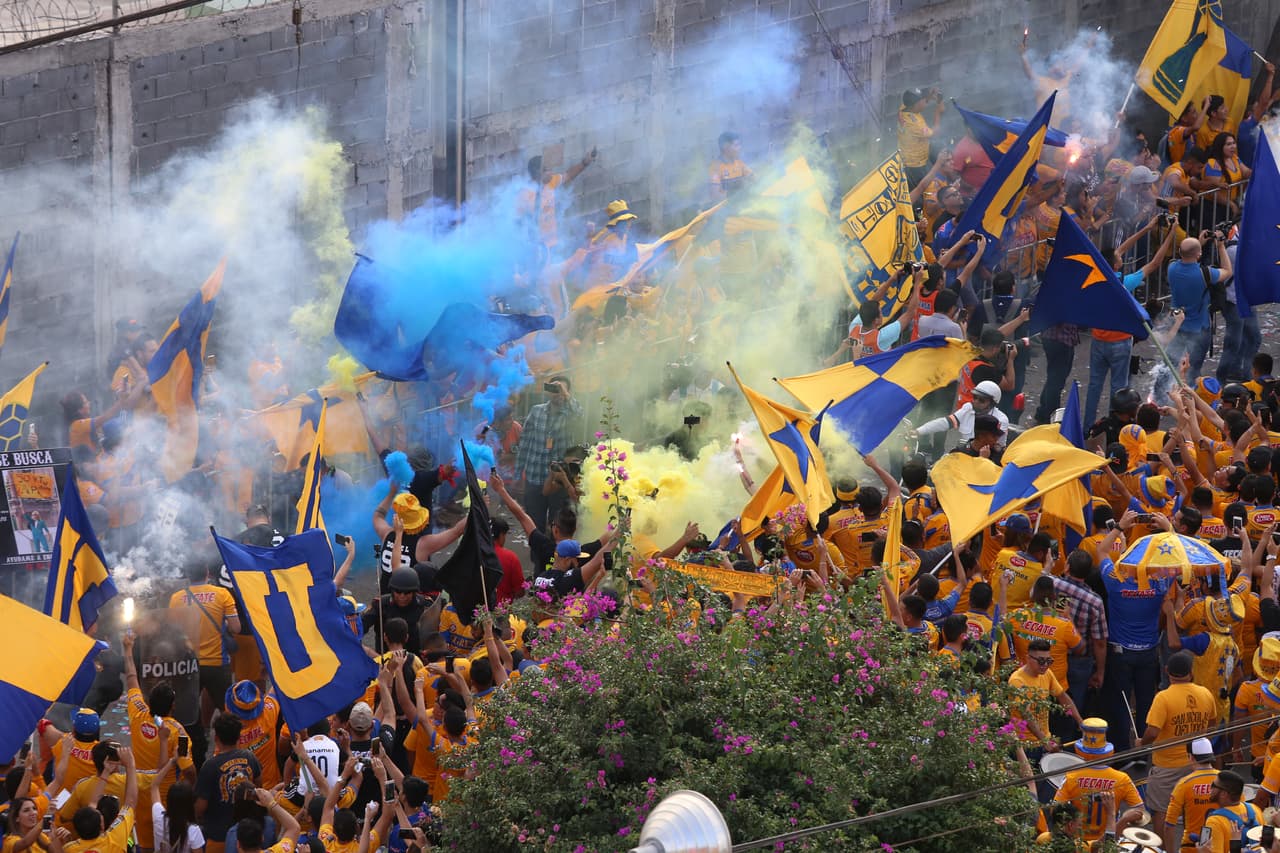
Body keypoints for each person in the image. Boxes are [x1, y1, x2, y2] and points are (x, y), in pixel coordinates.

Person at [1084, 215, 1179, 425]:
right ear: (1116, 266)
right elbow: (1154, 263)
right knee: (1119, 390)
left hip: (1098, 341)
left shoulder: (1095, 277)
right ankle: (1114, 428)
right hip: (1119, 343)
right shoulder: (1124, 283)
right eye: (1118, 258)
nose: (1121, 256)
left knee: (1094, 386)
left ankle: (1087, 427)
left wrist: (1147, 228)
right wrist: (1172, 232)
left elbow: (1117, 253)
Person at [1096, 512, 1176, 753]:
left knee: (1120, 704)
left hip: (1120, 653)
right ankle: (1143, 749)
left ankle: (1121, 750)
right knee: (1145, 703)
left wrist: (1120, 526)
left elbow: (1101, 552)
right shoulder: (1158, 582)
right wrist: (1168, 529)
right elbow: (1176, 560)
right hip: (1148, 653)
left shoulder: (1115, 580)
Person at [1141, 651, 1219, 830]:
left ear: (1167, 671)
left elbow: (1152, 732)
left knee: (1161, 810)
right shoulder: (1205, 693)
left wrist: (1141, 744)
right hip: (1197, 762)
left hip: (1167, 766)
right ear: (1191, 672)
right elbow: (1212, 724)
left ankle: (1163, 850)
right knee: (1193, 809)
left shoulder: (1163, 697)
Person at [1159, 232, 1233, 402]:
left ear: (1179, 252)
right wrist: (1221, 246)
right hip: (1199, 329)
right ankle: (1189, 403)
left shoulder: (1172, 268)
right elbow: (1228, 271)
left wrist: (1198, 243)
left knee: (1170, 364)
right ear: (1198, 254)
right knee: (1193, 369)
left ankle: (1163, 399)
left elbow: (1188, 256)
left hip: (1177, 325)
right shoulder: (1205, 274)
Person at [1052, 719, 1145, 843]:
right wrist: (1123, 820)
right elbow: (1140, 812)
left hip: (1078, 845)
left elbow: (1055, 810)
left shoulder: (1071, 777)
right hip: (1108, 841)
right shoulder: (1122, 778)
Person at [513, 377, 582, 533]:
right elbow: (524, 442)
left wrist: (565, 395)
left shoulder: (569, 414)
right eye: (554, 390)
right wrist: (518, 474)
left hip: (558, 480)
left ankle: (553, 558)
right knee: (533, 525)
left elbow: (580, 414)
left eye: (561, 390)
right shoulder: (536, 410)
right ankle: (538, 557)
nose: (557, 394)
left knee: (557, 526)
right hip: (534, 475)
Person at [195, 715, 261, 853]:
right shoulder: (250, 757)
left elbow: (200, 806)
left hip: (218, 838)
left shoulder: (209, 766)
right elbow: (259, 789)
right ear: (238, 737)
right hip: (248, 838)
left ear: (216, 738)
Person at [55, 747, 138, 853]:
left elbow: (93, 803)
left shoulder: (69, 849)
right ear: (102, 825)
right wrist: (130, 765)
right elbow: (130, 802)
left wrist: (106, 772)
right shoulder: (114, 840)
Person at [517, 148, 597, 253]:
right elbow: (518, 224)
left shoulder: (550, 183)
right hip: (537, 250)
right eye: (548, 170)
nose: (552, 172)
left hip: (553, 244)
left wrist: (584, 163)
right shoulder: (523, 196)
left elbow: (568, 175)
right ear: (538, 172)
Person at [1163, 738, 1220, 852]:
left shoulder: (1184, 784)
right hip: (1219, 846)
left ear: (1191, 757)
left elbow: (1169, 825)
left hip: (1191, 847)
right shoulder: (1225, 779)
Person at [223, 682, 282, 790]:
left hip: (240, 792)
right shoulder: (268, 713)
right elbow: (276, 688)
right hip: (272, 788)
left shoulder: (227, 733)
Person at [1196, 770, 1261, 853]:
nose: (1210, 788)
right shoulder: (1255, 809)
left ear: (1223, 794)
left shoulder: (1215, 821)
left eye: (1213, 785)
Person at [898, 88, 945, 188]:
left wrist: (928, 97)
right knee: (923, 188)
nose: (926, 102)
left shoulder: (904, 108)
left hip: (914, 158)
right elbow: (936, 133)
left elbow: (918, 103)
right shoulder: (914, 125)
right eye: (923, 100)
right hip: (915, 165)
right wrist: (938, 112)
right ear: (916, 104)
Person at [709, 131, 752, 200]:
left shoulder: (739, 163)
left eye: (739, 145)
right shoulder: (716, 167)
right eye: (736, 145)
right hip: (728, 207)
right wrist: (734, 193)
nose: (739, 148)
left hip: (741, 201)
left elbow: (753, 179)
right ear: (725, 147)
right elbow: (715, 196)